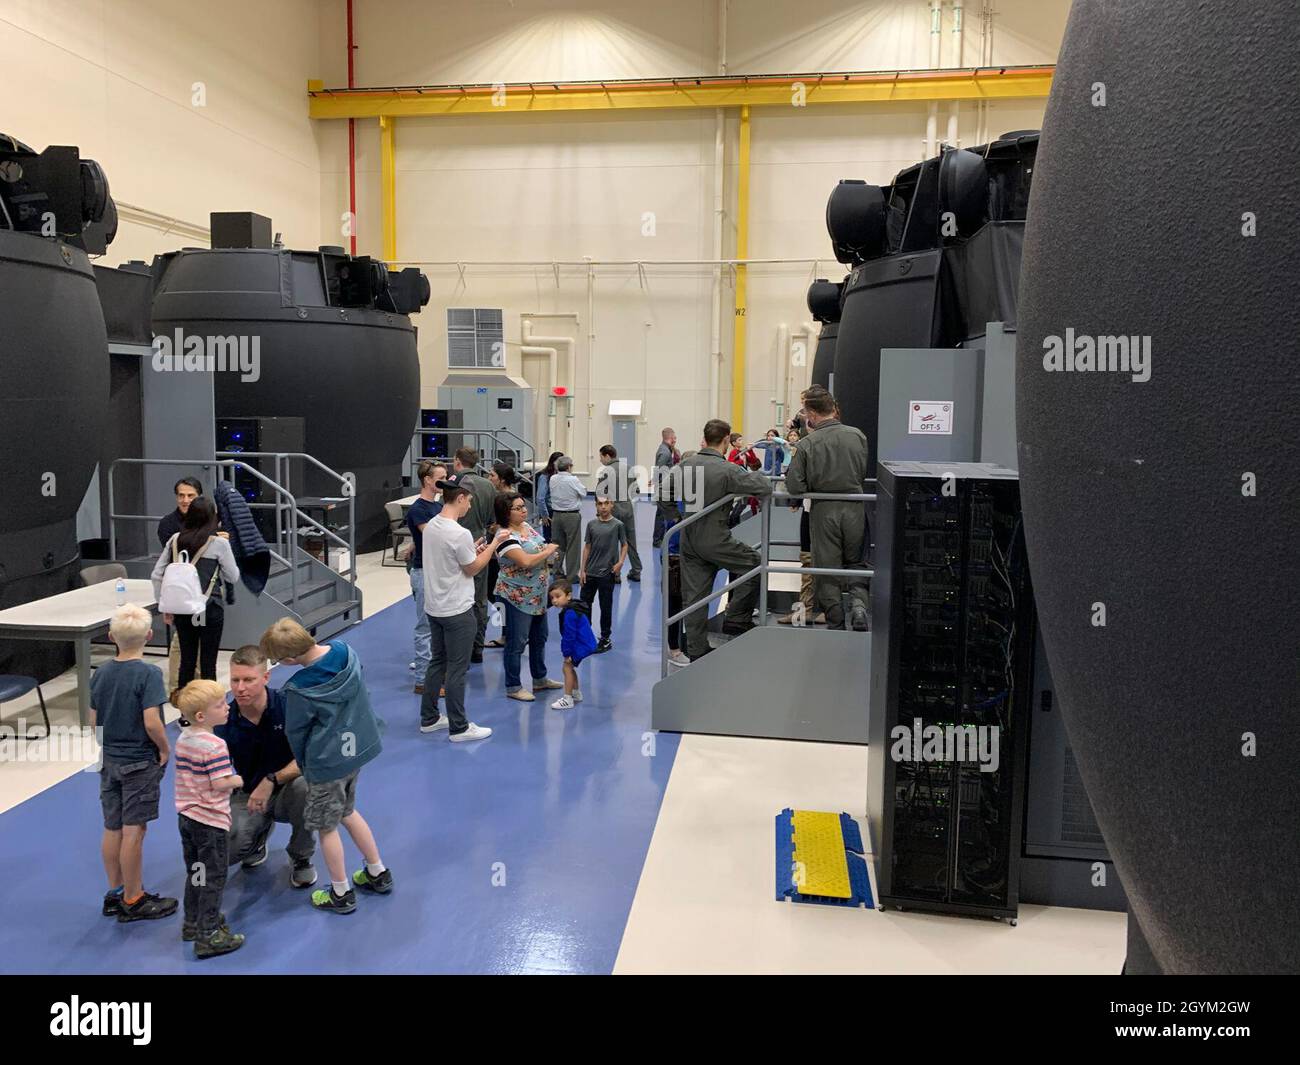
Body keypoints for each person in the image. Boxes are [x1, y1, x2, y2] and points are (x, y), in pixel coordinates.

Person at [260, 618, 391, 915]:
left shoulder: (298, 689)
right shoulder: (346, 651)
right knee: (348, 810)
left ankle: (341, 891)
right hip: (356, 751)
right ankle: (376, 871)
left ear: (291, 659)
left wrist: (305, 765)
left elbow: (297, 732)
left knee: (326, 827)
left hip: (326, 764)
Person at [91, 604, 177, 924]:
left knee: (112, 827)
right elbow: (152, 721)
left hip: (109, 760)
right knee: (134, 831)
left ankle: (115, 892)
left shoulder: (100, 673)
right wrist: (165, 748)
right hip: (139, 762)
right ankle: (134, 898)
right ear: (149, 636)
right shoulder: (149, 674)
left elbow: (93, 720)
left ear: (112, 636)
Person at [216, 645, 317, 888]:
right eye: (235, 680)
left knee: (306, 788)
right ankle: (257, 837)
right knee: (227, 849)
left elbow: (309, 758)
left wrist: (272, 780)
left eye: (249, 680)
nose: (240, 688)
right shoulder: (223, 718)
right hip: (248, 795)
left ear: (266, 677)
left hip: (286, 790)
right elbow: (216, 770)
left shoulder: (288, 706)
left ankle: (301, 857)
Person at [678, 419, 773, 661]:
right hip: (715, 538)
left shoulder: (686, 464)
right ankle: (737, 618)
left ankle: (697, 650)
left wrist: (679, 518)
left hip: (688, 537)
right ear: (725, 440)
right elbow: (763, 486)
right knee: (754, 563)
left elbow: (663, 494)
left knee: (695, 598)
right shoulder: (727, 469)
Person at [420, 480, 506, 742]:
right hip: (457, 610)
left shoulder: (433, 525)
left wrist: (475, 549)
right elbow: (471, 569)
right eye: (469, 500)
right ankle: (459, 727)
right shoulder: (459, 533)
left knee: (438, 662)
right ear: (460, 499)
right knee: (457, 670)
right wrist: (492, 546)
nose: (470, 505)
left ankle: (430, 718)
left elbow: (456, 560)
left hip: (435, 607)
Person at [784, 386, 871, 631]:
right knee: (857, 563)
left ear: (811, 413)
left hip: (824, 512)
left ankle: (836, 620)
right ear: (833, 409)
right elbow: (861, 472)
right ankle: (859, 607)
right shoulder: (858, 436)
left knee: (826, 568)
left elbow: (794, 486)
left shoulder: (806, 444)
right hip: (855, 507)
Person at [172, 679, 245, 958]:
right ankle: (209, 933)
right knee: (214, 875)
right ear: (202, 716)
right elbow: (219, 782)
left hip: (187, 817)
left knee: (197, 872)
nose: (226, 707)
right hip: (211, 822)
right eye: (220, 705)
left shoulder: (183, 739)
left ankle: (192, 922)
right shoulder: (215, 745)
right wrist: (237, 780)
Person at [152, 496, 239, 691]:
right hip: (210, 607)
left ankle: (185, 711)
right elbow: (233, 576)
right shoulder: (219, 544)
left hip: (182, 608)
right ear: (212, 517)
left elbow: (157, 574)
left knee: (187, 661)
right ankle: (209, 709)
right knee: (208, 663)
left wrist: (163, 604)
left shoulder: (175, 540)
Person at [492, 491, 562, 702]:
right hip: (515, 596)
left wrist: (547, 553)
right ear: (506, 512)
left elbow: (538, 547)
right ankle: (513, 685)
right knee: (516, 642)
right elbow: (525, 561)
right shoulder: (504, 536)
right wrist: (548, 551)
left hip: (537, 594)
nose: (524, 510)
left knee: (539, 637)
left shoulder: (526, 527)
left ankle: (540, 678)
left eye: (524, 506)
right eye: (518, 508)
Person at [450, 448, 498, 663]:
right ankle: (477, 647)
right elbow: (492, 520)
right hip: (479, 545)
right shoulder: (488, 486)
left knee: (454, 598)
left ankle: (457, 646)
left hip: (452, 546)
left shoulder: (453, 484)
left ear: (457, 461)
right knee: (479, 598)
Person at [405, 460, 445, 692]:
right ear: (428, 480)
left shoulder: (437, 508)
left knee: (435, 626)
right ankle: (422, 680)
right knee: (424, 627)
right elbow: (434, 536)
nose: (445, 480)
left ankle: (432, 672)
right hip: (423, 572)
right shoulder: (419, 509)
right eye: (440, 477)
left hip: (435, 571)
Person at [579, 496, 627, 653]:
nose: (603, 507)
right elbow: (587, 547)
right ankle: (586, 636)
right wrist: (582, 570)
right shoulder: (591, 524)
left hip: (607, 573)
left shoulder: (618, 525)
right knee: (585, 605)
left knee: (605, 606)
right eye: (600, 504)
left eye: (607, 503)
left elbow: (624, 545)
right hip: (590, 572)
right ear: (596, 506)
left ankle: (605, 638)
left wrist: (620, 563)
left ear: (612, 505)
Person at [596, 443, 642, 582]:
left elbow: (599, 494)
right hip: (627, 507)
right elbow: (636, 490)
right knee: (630, 540)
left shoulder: (605, 471)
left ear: (607, 456)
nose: (600, 460)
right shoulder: (629, 469)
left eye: (601, 457)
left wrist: (599, 512)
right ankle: (636, 571)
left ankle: (615, 574)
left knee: (612, 542)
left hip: (612, 508)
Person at [548, 580, 596, 711]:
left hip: (581, 645)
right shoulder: (574, 608)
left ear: (568, 596)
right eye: (552, 598)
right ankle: (576, 693)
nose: (554, 601)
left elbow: (569, 636)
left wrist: (567, 653)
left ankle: (568, 699)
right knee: (570, 667)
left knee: (567, 668)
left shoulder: (569, 614)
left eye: (558, 596)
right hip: (587, 643)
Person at [547, 455, 586, 581]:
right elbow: (583, 493)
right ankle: (572, 575)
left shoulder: (552, 478)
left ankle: (557, 572)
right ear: (569, 467)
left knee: (557, 545)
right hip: (571, 515)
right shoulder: (573, 480)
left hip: (556, 515)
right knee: (573, 546)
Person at [156, 476, 203, 548]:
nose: (185, 500)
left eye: (190, 496)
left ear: (200, 497)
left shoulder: (211, 519)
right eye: (181, 495)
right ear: (176, 497)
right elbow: (173, 550)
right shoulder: (166, 523)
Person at [652, 427, 679, 548]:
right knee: (661, 514)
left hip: (664, 487)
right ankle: (657, 540)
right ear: (671, 438)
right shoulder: (665, 452)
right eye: (674, 437)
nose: (676, 440)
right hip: (664, 488)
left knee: (661, 514)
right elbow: (660, 469)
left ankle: (659, 538)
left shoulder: (666, 449)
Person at [534, 451, 563, 543]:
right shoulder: (545, 477)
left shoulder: (559, 475)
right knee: (549, 538)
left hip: (558, 509)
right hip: (549, 511)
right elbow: (540, 498)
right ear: (553, 462)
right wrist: (544, 515)